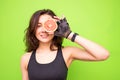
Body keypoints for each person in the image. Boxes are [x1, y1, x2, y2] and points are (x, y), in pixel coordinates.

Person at [20, 9, 109, 80]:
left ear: (56, 27)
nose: (44, 30)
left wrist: (69, 34)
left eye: (48, 24)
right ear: (33, 30)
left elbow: (103, 54)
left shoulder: (67, 52)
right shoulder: (26, 58)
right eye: (38, 25)